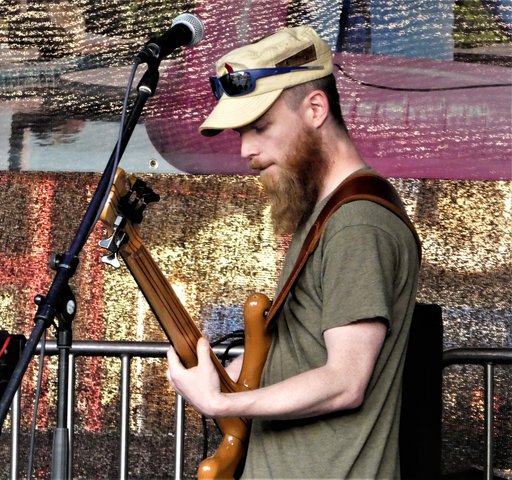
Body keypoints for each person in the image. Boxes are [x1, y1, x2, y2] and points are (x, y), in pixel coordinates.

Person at [166, 26, 420, 479]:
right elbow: (304, 351)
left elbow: (345, 381)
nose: (246, 149)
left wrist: (221, 402)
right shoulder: (323, 212)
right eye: (241, 132)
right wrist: (235, 371)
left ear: (315, 109)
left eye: (260, 127)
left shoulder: (357, 223)